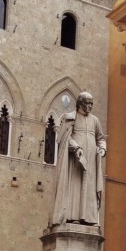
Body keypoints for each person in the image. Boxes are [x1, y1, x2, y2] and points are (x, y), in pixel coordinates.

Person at [50, 91, 107, 227]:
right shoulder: (71, 118)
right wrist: (75, 147)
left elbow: (101, 138)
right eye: (87, 103)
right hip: (75, 161)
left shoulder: (95, 120)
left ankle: (89, 219)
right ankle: (72, 217)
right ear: (80, 103)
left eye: (91, 103)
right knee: (75, 187)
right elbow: (64, 139)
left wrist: (103, 148)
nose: (90, 106)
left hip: (91, 162)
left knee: (90, 188)